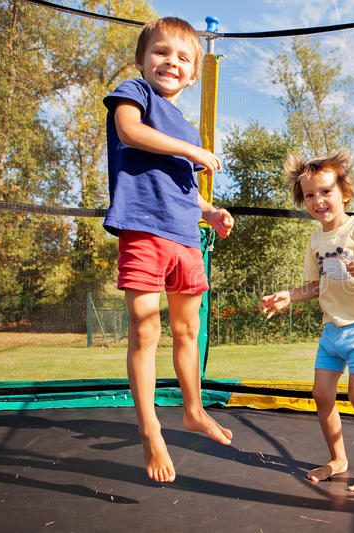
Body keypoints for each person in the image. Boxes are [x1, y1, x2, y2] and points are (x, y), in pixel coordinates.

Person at [103, 16, 233, 483]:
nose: (171, 63)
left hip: (184, 237)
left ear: (194, 73)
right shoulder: (134, 93)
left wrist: (209, 212)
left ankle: (193, 409)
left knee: (186, 330)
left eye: (183, 58)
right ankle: (150, 430)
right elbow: (129, 134)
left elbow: (182, 186)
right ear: (143, 59)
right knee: (145, 329)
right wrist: (196, 154)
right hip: (143, 228)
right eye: (161, 52)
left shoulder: (187, 130)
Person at [261, 151, 354, 493]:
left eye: (325, 191)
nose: (318, 200)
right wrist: (288, 297)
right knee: (322, 395)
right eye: (310, 195)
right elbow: (316, 285)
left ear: (344, 193)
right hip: (332, 329)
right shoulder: (315, 241)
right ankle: (338, 459)